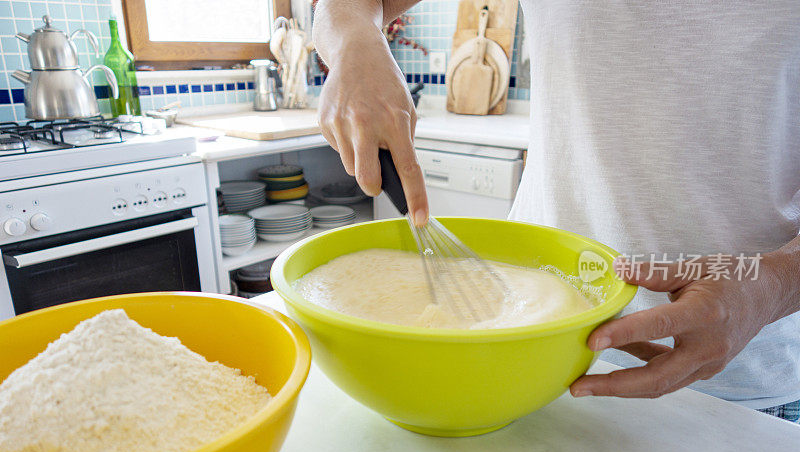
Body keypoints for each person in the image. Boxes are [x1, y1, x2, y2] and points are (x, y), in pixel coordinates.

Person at [312, 1, 800, 420]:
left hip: (741, 383)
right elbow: (343, 7)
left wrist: (771, 286)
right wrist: (354, 38)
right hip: (528, 363)